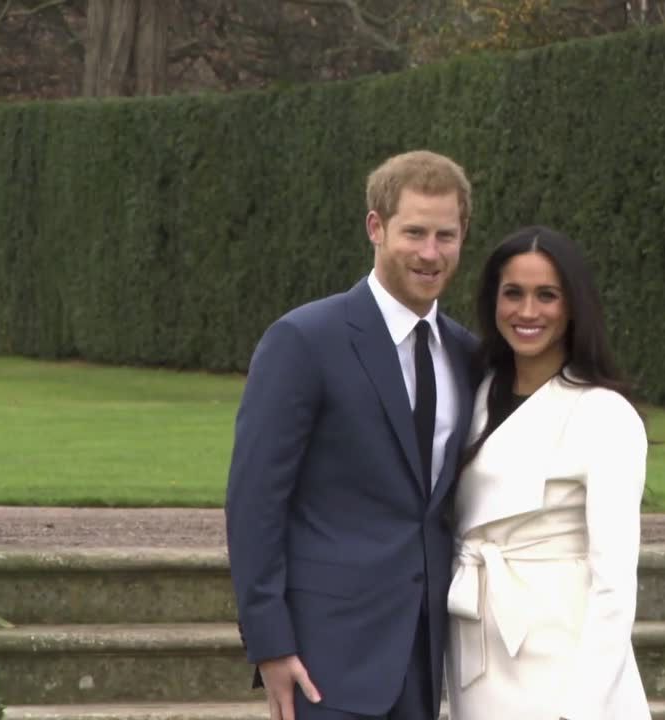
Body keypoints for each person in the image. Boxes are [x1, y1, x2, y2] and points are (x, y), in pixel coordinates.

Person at [225, 150, 480, 720]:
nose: (430, 253)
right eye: (414, 232)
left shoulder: (467, 354)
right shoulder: (304, 339)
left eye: (446, 235)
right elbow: (255, 503)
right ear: (376, 227)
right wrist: (270, 643)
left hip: (424, 655)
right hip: (323, 659)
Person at [445, 226, 651, 720]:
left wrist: (583, 709)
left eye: (547, 296)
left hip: (563, 659)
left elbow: (614, 583)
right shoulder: (474, 393)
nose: (528, 311)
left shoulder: (605, 414)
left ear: (573, 305)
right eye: (512, 293)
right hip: (478, 645)